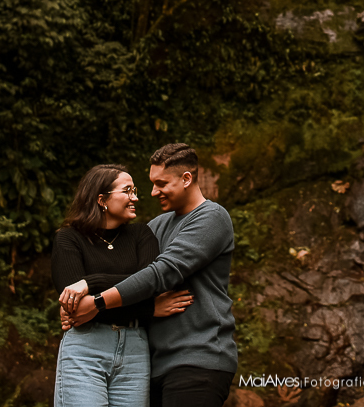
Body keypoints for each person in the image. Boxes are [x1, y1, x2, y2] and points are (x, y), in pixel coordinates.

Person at [62, 144, 237, 407]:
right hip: (152, 365)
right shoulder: (155, 227)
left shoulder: (211, 218)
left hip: (198, 360)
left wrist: (96, 302)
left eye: (161, 183)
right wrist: (77, 298)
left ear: (187, 179)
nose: (153, 192)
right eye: (152, 184)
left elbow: (161, 273)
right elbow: (130, 277)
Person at [52, 164, 195, 407]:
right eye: (127, 191)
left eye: (134, 190)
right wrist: (147, 309)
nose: (135, 198)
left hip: (135, 353)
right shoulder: (68, 238)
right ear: (102, 199)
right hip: (86, 349)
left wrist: (90, 282)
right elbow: (77, 308)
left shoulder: (142, 234)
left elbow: (148, 282)